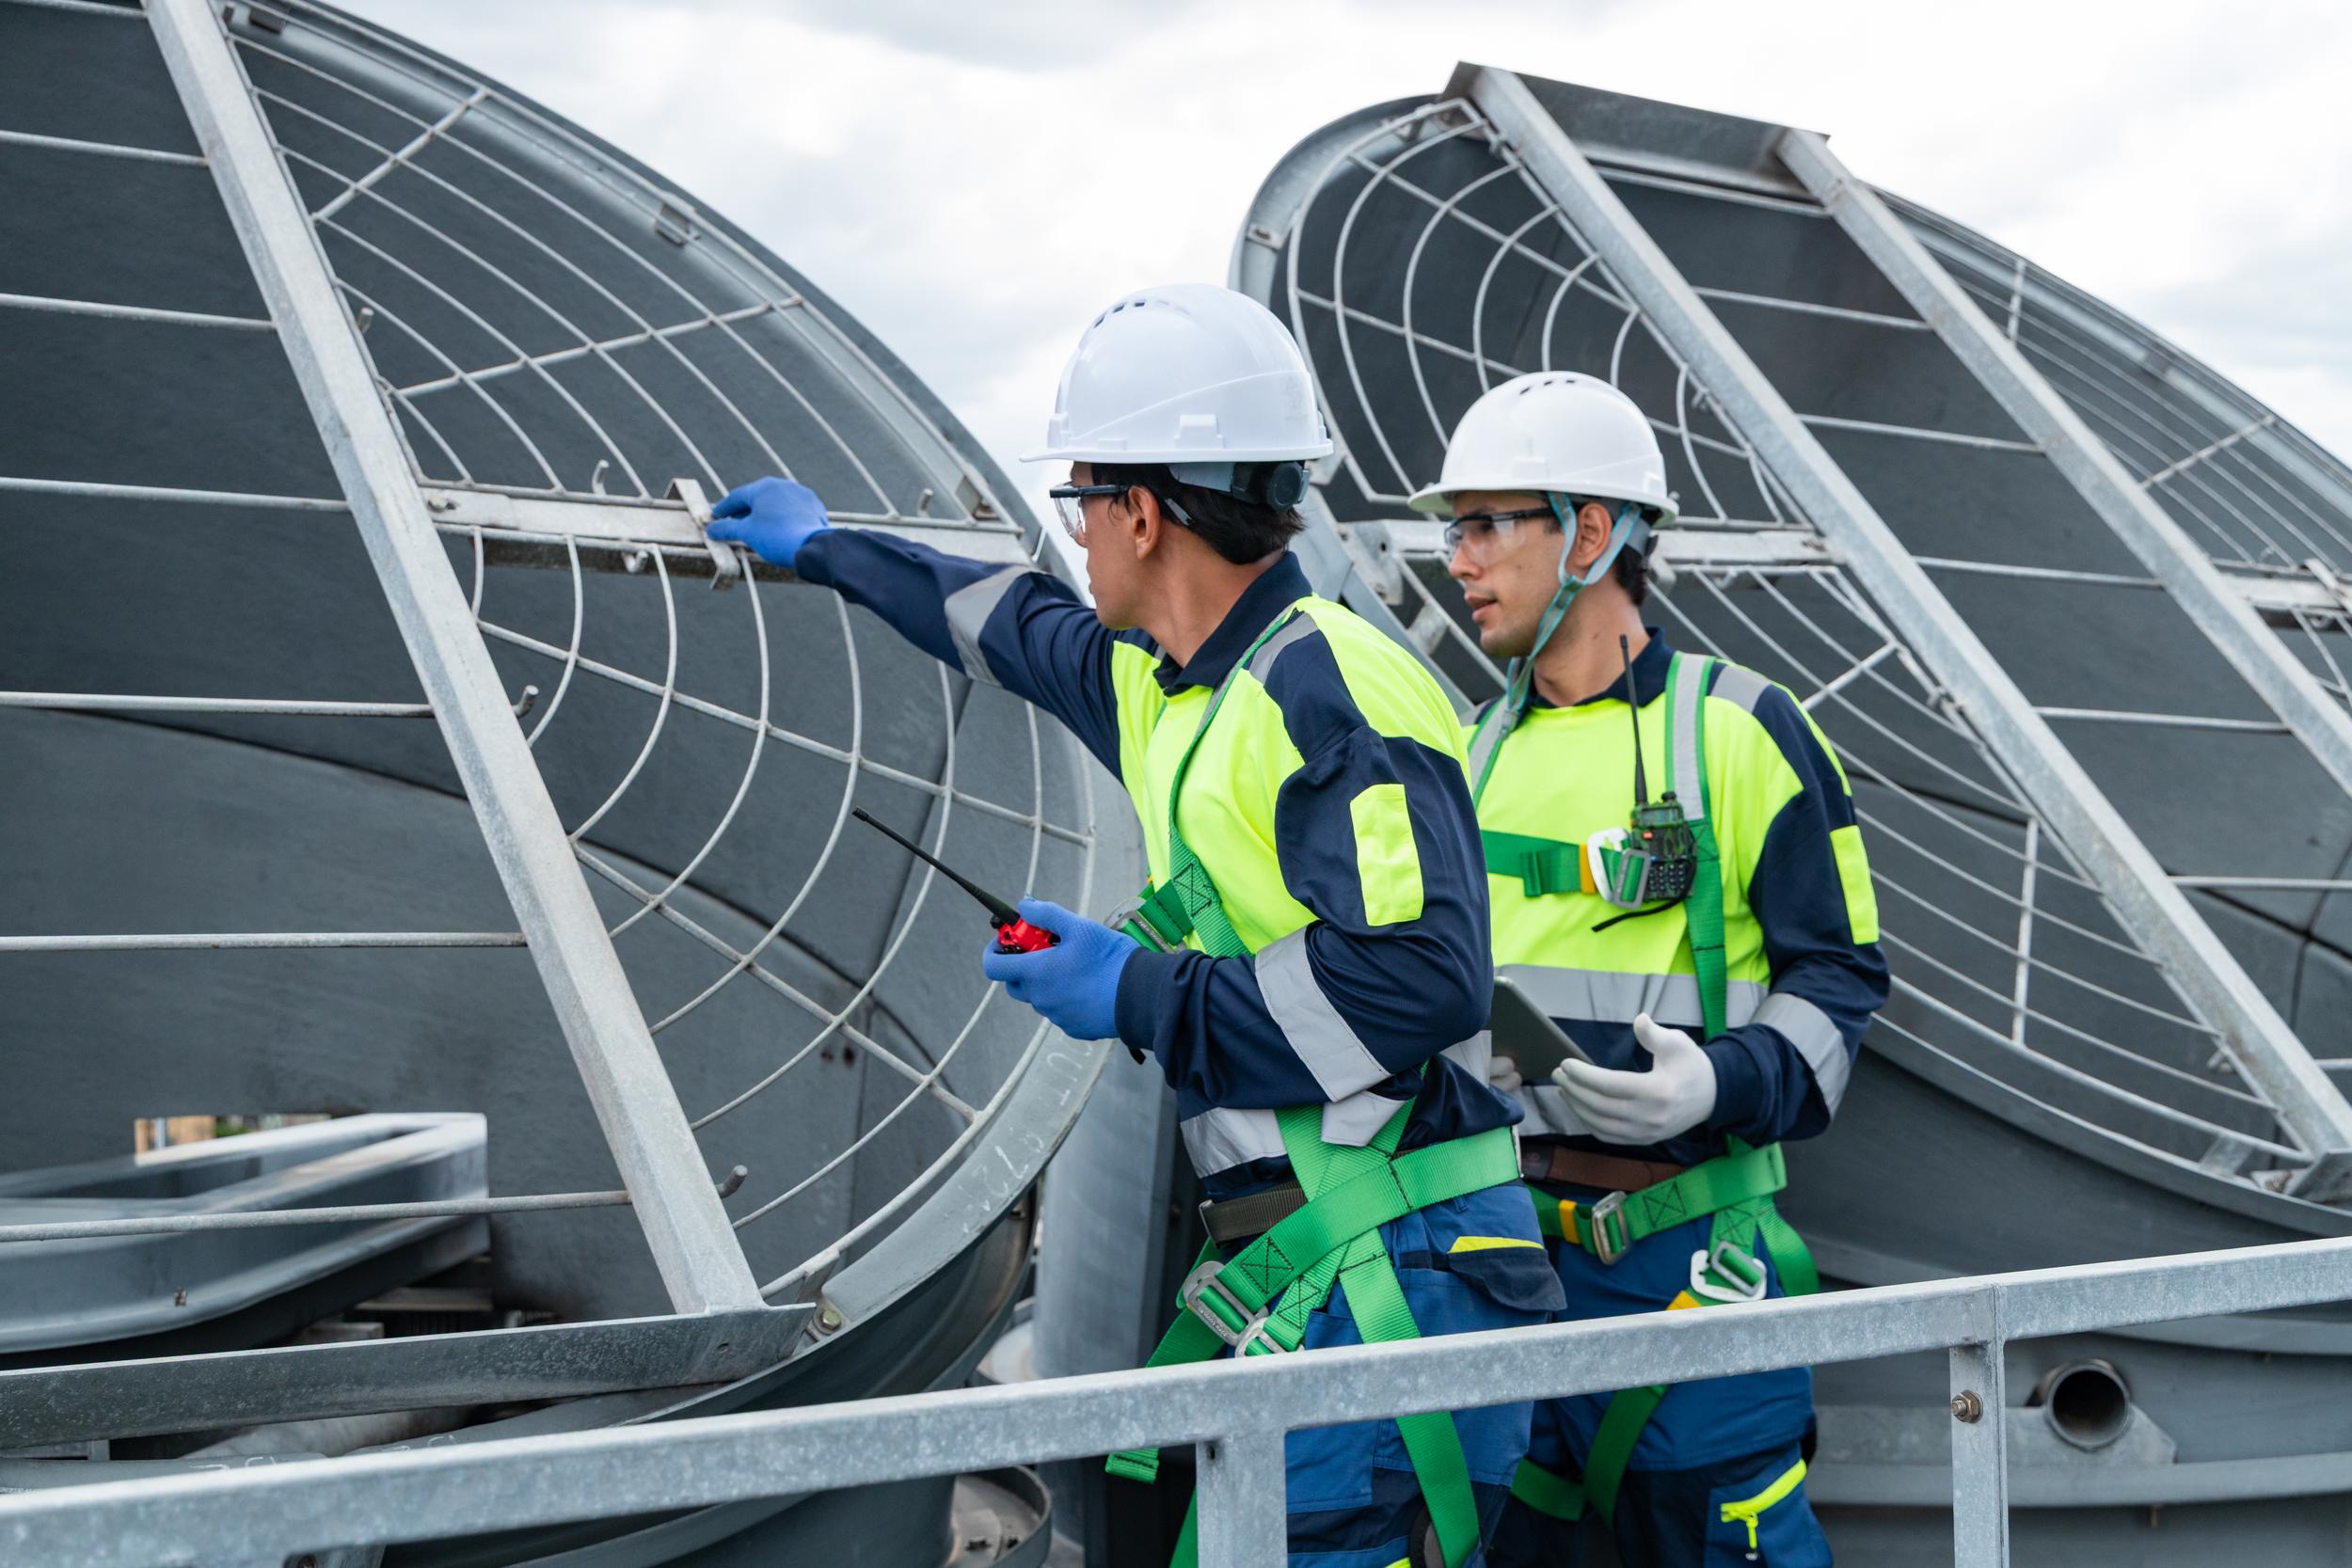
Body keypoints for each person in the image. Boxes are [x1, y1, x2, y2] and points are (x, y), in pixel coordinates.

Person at [707, 284, 1562, 1567]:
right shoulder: (1164, 683)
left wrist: (1141, 992)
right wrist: (831, 548)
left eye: (1082, 503)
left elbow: (1426, 979)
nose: (1078, 536)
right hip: (1324, 1264)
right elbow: (1009, 622)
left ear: (1145, 513)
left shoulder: (1327, 686)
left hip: (1400, 1273)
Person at [1414, 372, 1888, 1568]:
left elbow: (1840, 975)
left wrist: (1719, 1084)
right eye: (1452, 525)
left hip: (1690, 1273)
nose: (1456, 558)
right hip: (1501, 1269)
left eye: (1485, 523)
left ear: (1588, 532)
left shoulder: (1739, 729)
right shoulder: (1463, 756)